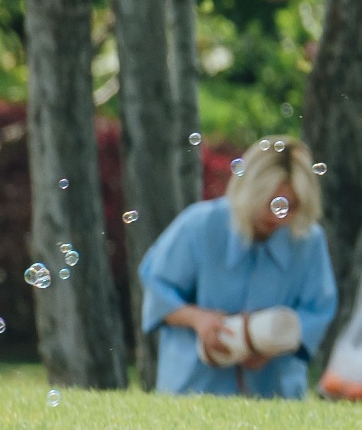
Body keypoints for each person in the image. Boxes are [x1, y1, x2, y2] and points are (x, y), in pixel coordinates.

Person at [138, 136, 338, 398]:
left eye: (292, 206)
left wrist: (273, 344)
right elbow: (157, 287)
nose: (278, 215)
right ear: (251, 190)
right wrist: (199, 319)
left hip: (275, 392)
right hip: (194, 387)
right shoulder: (201, 225)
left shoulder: (307, 241)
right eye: (270, 201)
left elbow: (319, 309)